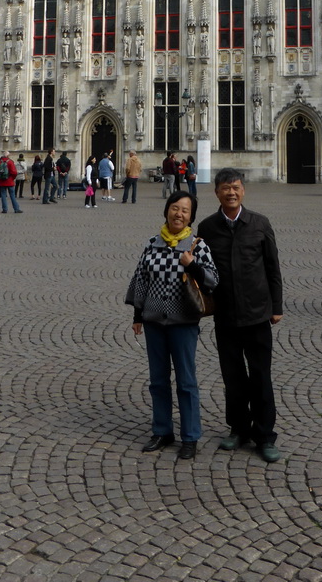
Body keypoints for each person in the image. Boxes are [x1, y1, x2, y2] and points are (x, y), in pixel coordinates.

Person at [197, 168, 284, 463]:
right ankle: (238, 428)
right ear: (217, 192)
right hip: (226, 315)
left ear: (243, 190)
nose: (230, 192)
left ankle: (265, 435)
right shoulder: (207, 228)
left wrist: (277, 307)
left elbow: (273, 268)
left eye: (235, 187)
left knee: (261, 378)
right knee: (232, 378)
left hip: (258, 314)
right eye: (225, 188)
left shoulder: (260, 224)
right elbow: (202, 271)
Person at [125, 191, 218, 460]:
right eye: (175, 208)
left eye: (185, 211)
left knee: (186, 382)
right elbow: (141, 279)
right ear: (166, 210)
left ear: (191, 217)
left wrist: (193, 267)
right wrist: (137, 316)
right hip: (154, 322)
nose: (179, 214)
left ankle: (190, 436)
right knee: (158, 381)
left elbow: (213, 280)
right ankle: (162, 430)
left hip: (183, 323)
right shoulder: (152, 243)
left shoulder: (197, 245)